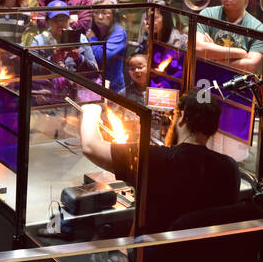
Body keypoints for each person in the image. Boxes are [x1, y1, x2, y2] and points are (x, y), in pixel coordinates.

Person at [77, 90, 239, 234]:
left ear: (181, 118)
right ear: (214, 128)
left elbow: (90, 146)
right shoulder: (230, 168)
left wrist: (91, 110)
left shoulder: (154, 158)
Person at [196, 0, 263, 73]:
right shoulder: (208, 14)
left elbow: (251, 66)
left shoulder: (257, 27)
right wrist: (240, 53)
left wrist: (212, 56)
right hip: (205, 78)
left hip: (237, 85)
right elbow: (198, 49)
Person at [80, 0, 128, 94]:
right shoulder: (92, 30)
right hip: (94, 86)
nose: (100, 17)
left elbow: (101, 57)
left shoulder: (119, 33)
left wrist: (92, 39)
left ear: (113, 14)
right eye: (96, 12)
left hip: (113, 89)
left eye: (105, 12)